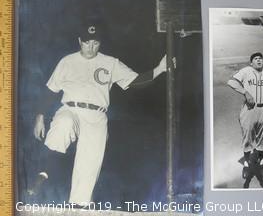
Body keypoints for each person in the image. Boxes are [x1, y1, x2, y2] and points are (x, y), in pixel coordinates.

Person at [28, 24, 174, 206]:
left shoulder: (110, 63)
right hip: (71, 108)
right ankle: (43, 171)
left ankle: (79, 205)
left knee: (90, 162)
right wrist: (39, 116)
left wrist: (159, 68)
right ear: (79, 41)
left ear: (100, 43)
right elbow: (50, 91)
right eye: (87, 42)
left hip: (97, 116)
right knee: (63, 124)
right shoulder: (67, 61)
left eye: (95, 43)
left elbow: (135, 82)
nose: (90, 47)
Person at [227, 15, 263, 187]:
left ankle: (262, 163)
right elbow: (231, 81)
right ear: (251, 62)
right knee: (247, 139)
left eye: (261, 58)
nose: (259, 60)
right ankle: (248, 166)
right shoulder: (246, 71)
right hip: (249, 110)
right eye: (256, 59)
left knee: (262, 140)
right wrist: (245, 92)